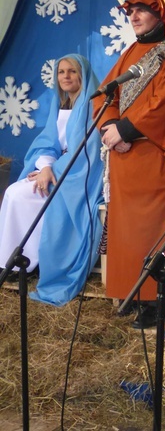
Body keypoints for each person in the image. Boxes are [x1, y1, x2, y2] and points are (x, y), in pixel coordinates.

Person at [93, 0, 165, 329]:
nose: (134, 17)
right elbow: (105, 94)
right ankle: (132, 292)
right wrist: (111, 128)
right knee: (128, 235)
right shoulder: (131, 53)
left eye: (141, 10)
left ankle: (160, 300)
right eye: (131, 13)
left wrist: (125, 131)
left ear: (160, 12)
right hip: (125, 159)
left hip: (157, 156)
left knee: (155, 232)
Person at [0, 55, 104, 305]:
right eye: (61, 72)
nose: (66, 76)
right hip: (57, 169)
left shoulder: (93, 106)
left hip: (79, 176)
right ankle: (12, 262)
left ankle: (27, 263)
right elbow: (48, 142)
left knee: (22, 195)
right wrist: (46, 166)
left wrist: (53, 170)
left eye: (72, 71)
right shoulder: (62, 105)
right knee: (15, 191)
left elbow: (87, 153)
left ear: (83, 75)